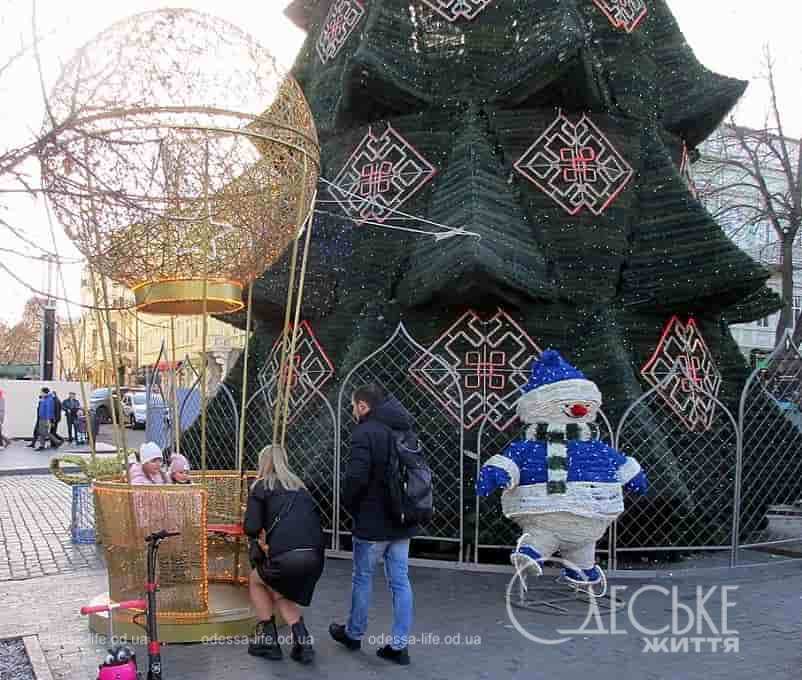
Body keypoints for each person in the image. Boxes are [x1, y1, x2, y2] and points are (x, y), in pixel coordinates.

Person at [329, 383, 418, 666]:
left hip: (372, 522)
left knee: (362, 578)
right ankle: (399, 646)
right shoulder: (404, 430)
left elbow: (355, 478)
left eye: (354, 406)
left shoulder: (364, 433)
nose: (353, 411)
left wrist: (350, 506)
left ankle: (354, 634)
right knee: (401, 582)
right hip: (402, 520)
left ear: (363, 406)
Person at [243, 444, 325, 665]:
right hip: (315, 556)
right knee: (279, 587)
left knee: (256, 581)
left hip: (287, 557)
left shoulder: (261, 486)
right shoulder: (300, 487)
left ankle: (269, 640)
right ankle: (303, 642)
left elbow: (251, 527)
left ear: (263, 463)